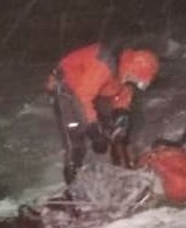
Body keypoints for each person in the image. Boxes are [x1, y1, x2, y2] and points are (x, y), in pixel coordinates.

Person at [48, 43, 159, 187]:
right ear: (129, 69)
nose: (132, 82)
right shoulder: (103, 66)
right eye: (132, 78)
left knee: (115, 130)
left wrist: (121, 113)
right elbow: (83, 98)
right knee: (75, 137)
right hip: (67, 87)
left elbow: (123, 93)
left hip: (96, 89)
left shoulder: (126, 73)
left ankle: (122, 172)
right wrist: (93, 130)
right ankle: (73, 185)